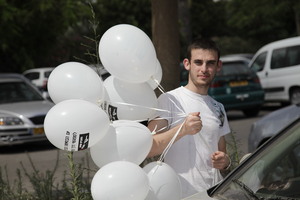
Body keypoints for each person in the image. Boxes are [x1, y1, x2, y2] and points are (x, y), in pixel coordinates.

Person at [147, 38, 231, 198]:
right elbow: (149, 147)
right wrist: (182, 129)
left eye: (210, 63)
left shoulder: (218, 107)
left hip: (213, 194)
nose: (204, 69)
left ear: (218, 66)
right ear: (187, 64)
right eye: (198, 62)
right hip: (180, 195)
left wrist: (225, 162)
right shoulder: (169, 100)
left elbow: (222, 155)